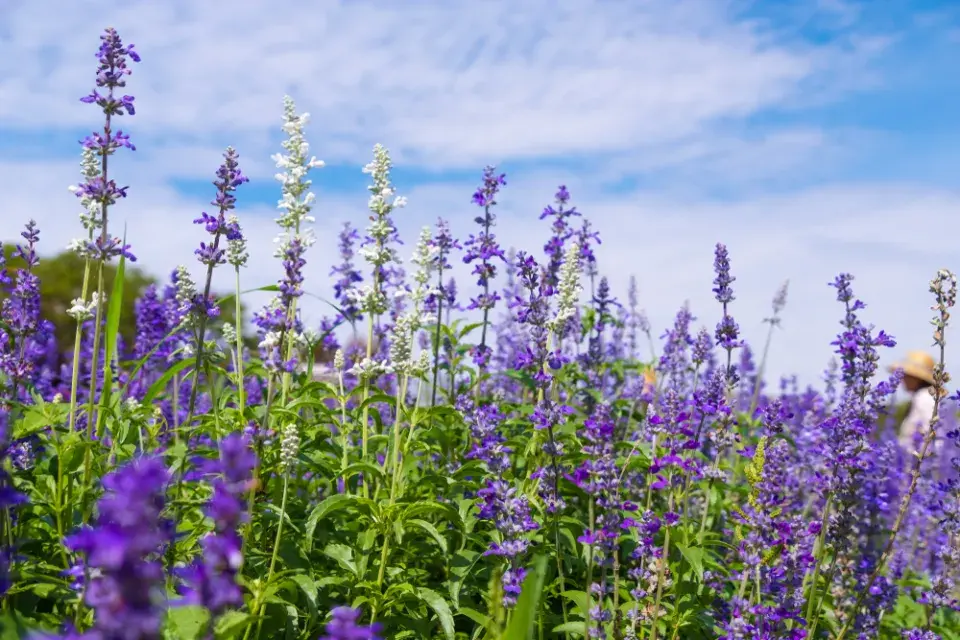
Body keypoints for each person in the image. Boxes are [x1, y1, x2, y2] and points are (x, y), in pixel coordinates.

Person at [888, 350, 938, 453]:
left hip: (918, 462)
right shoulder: (920, 396)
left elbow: (931, 431)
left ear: (916, 378)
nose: (903, 380)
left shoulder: (924, 397)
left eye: (906, 376)